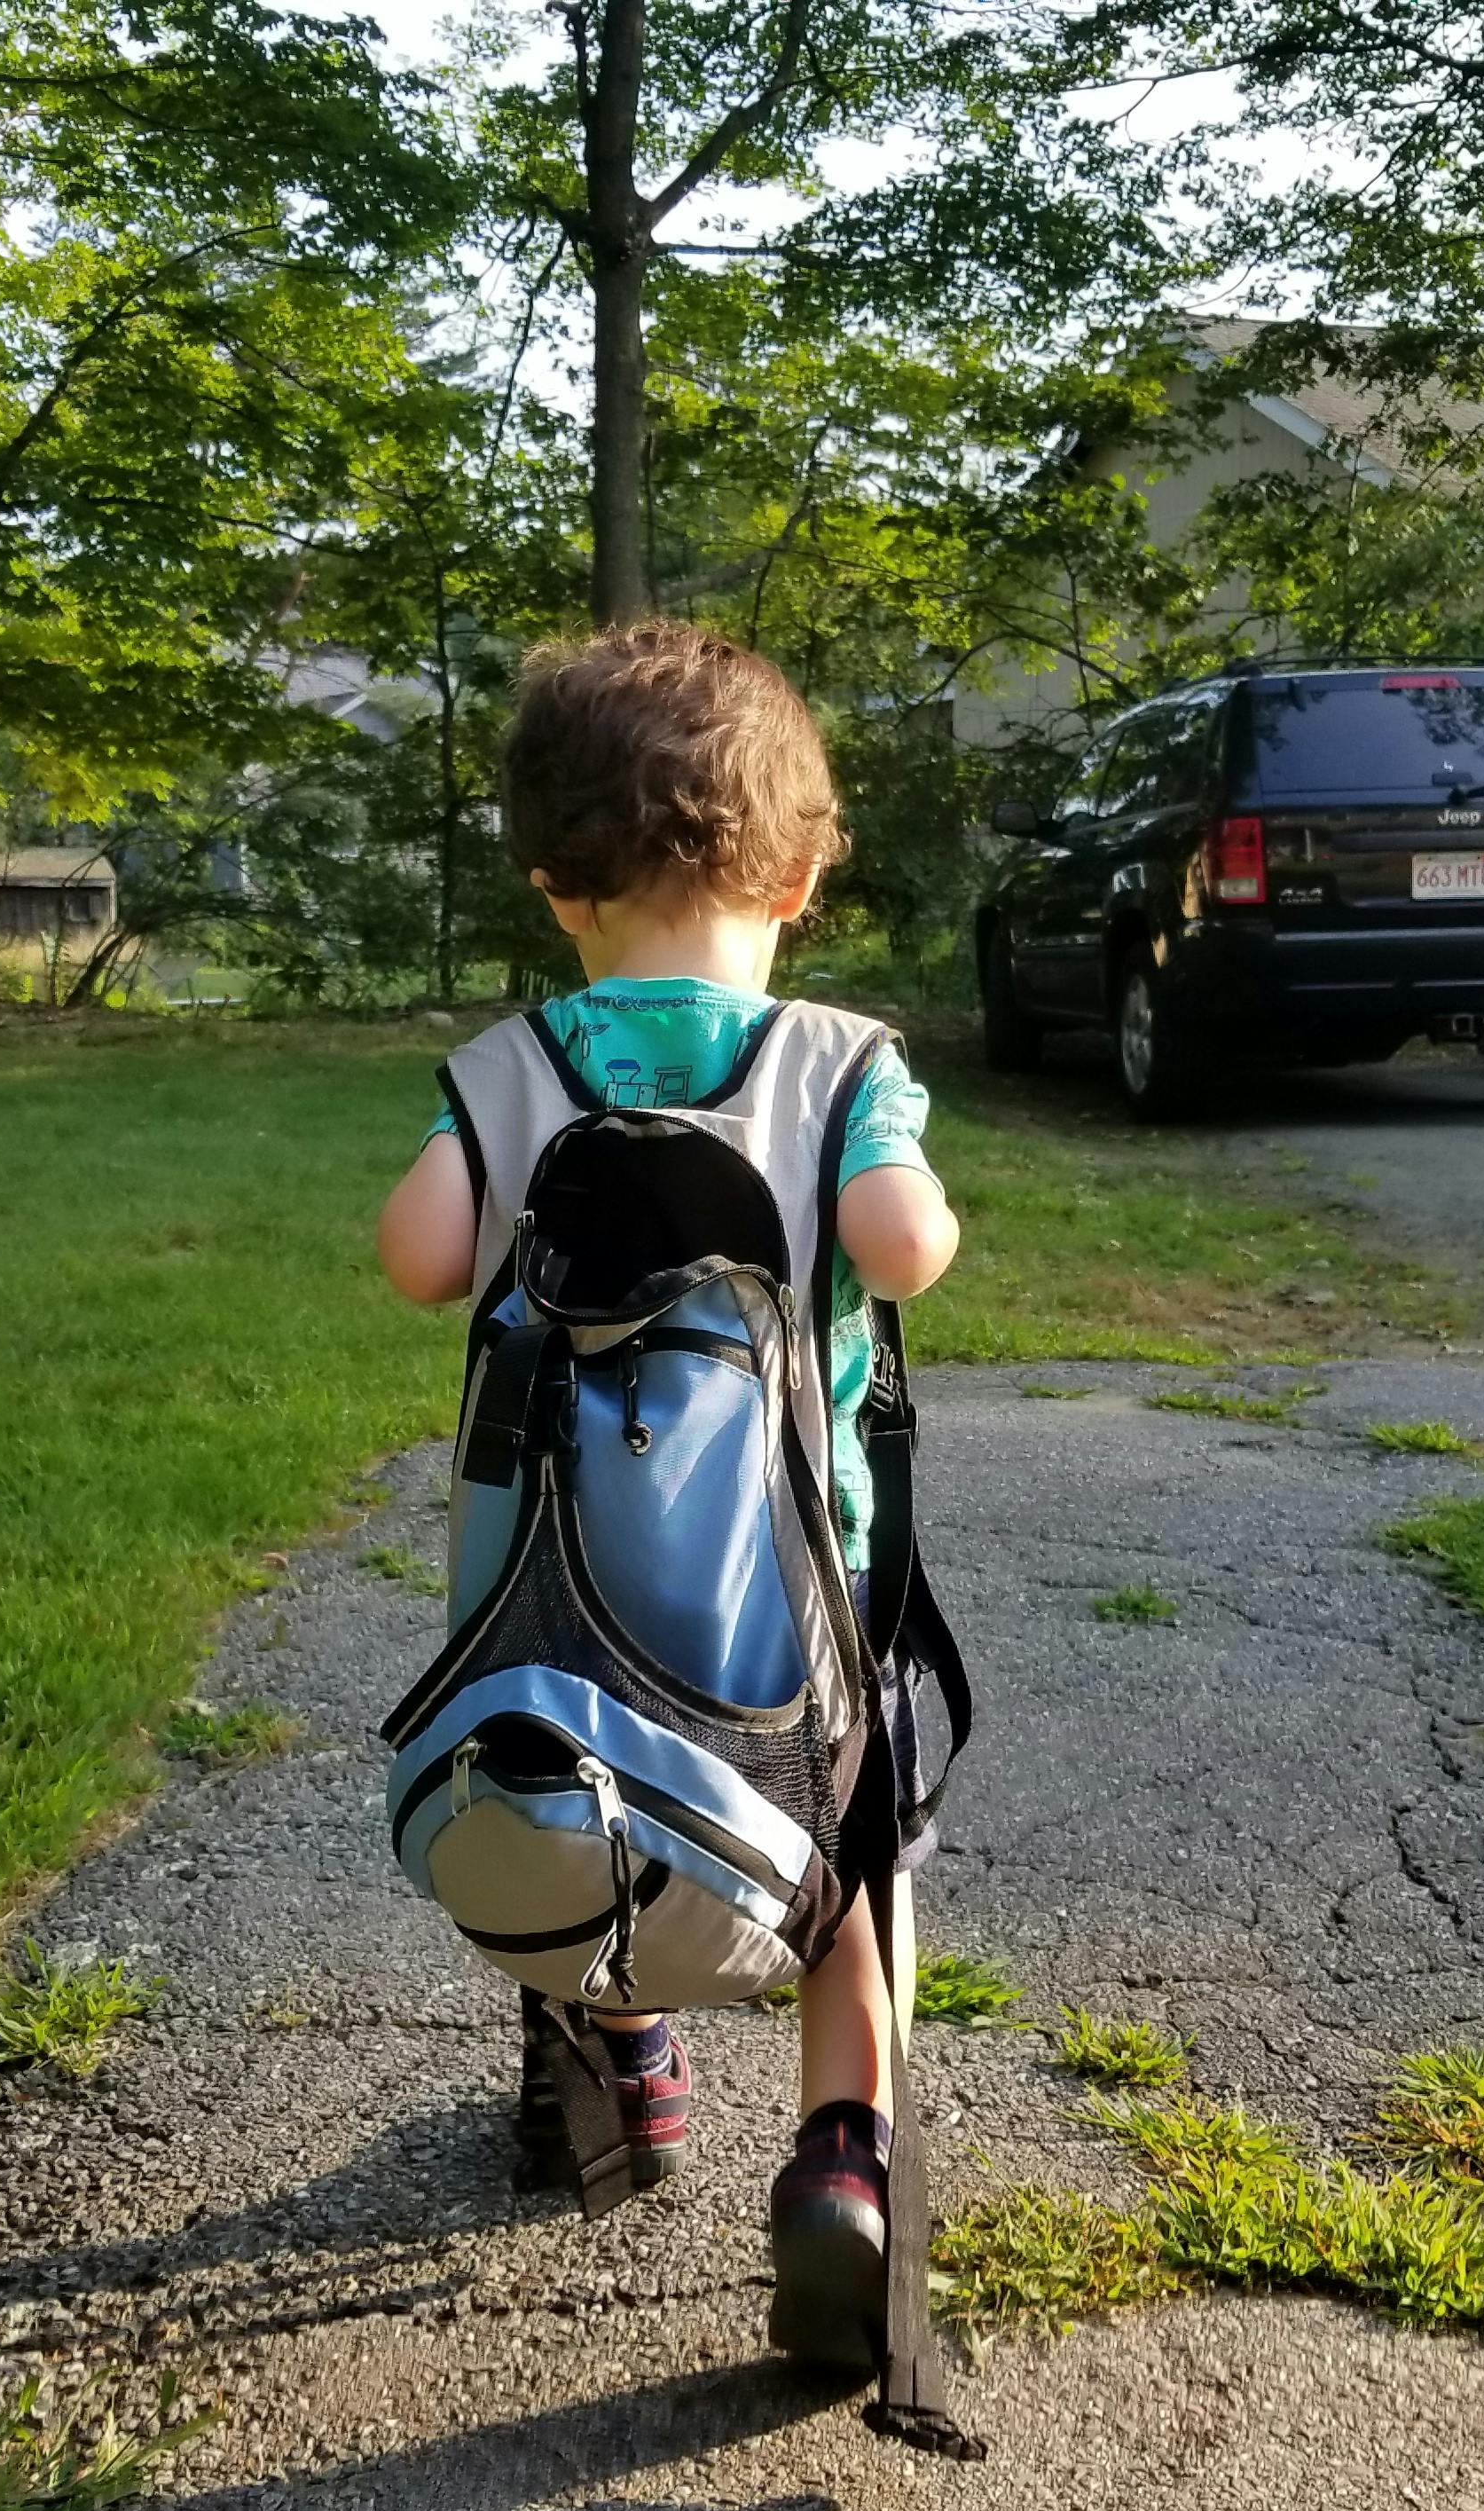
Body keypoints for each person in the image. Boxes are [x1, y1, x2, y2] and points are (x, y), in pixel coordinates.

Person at [372, 618, 962, 2366]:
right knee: (860, 1871)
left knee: (555, 1776)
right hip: (798, 1614)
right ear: (797, 877)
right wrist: (899, 1208)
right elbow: (899, 1243)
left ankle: (614, 2054)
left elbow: (416, 1258)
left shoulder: (505, 1073)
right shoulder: (842, 1064)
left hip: (553, 1605)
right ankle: (847, 2160)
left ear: (557, 887)